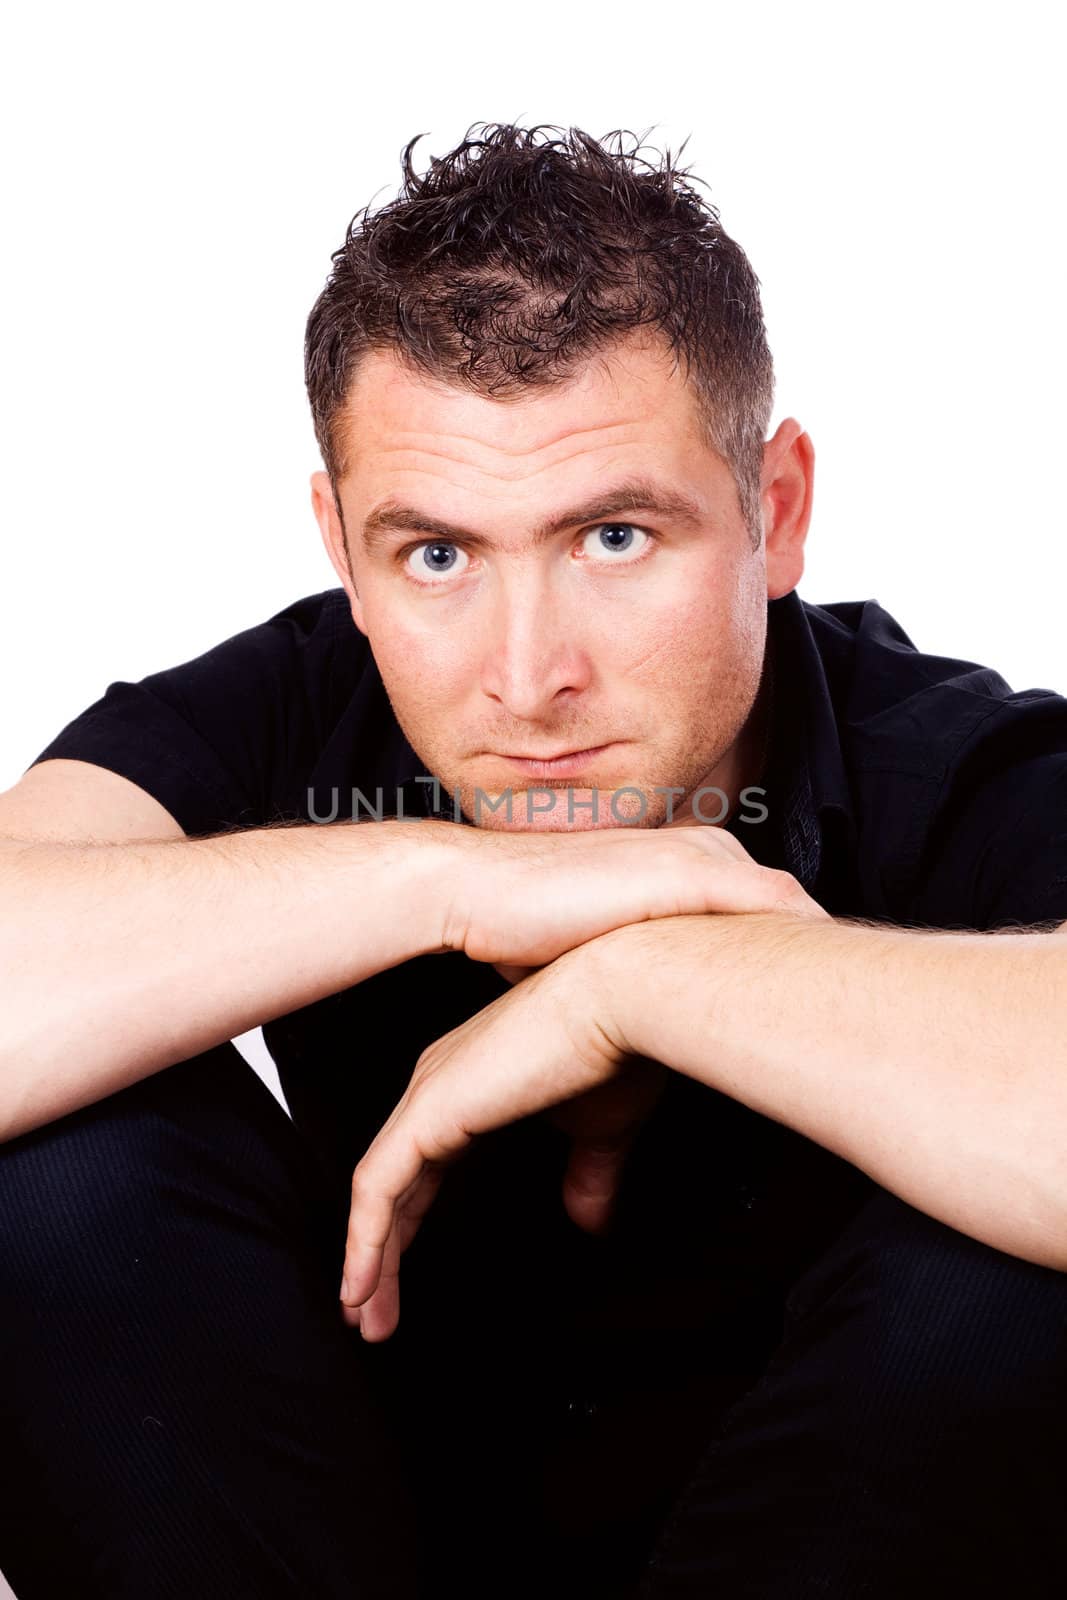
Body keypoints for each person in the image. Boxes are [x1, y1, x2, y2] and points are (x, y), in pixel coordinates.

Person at [2, 122, 1066, 1600]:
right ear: (344, 549)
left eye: (616, 537)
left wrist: (644, 978)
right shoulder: (295, 705)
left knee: (1016, 1260)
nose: (525, 677)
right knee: (54, 1164)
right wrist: (452, 879)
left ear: (780, 512)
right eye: (437, 555)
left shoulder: (961, 772)